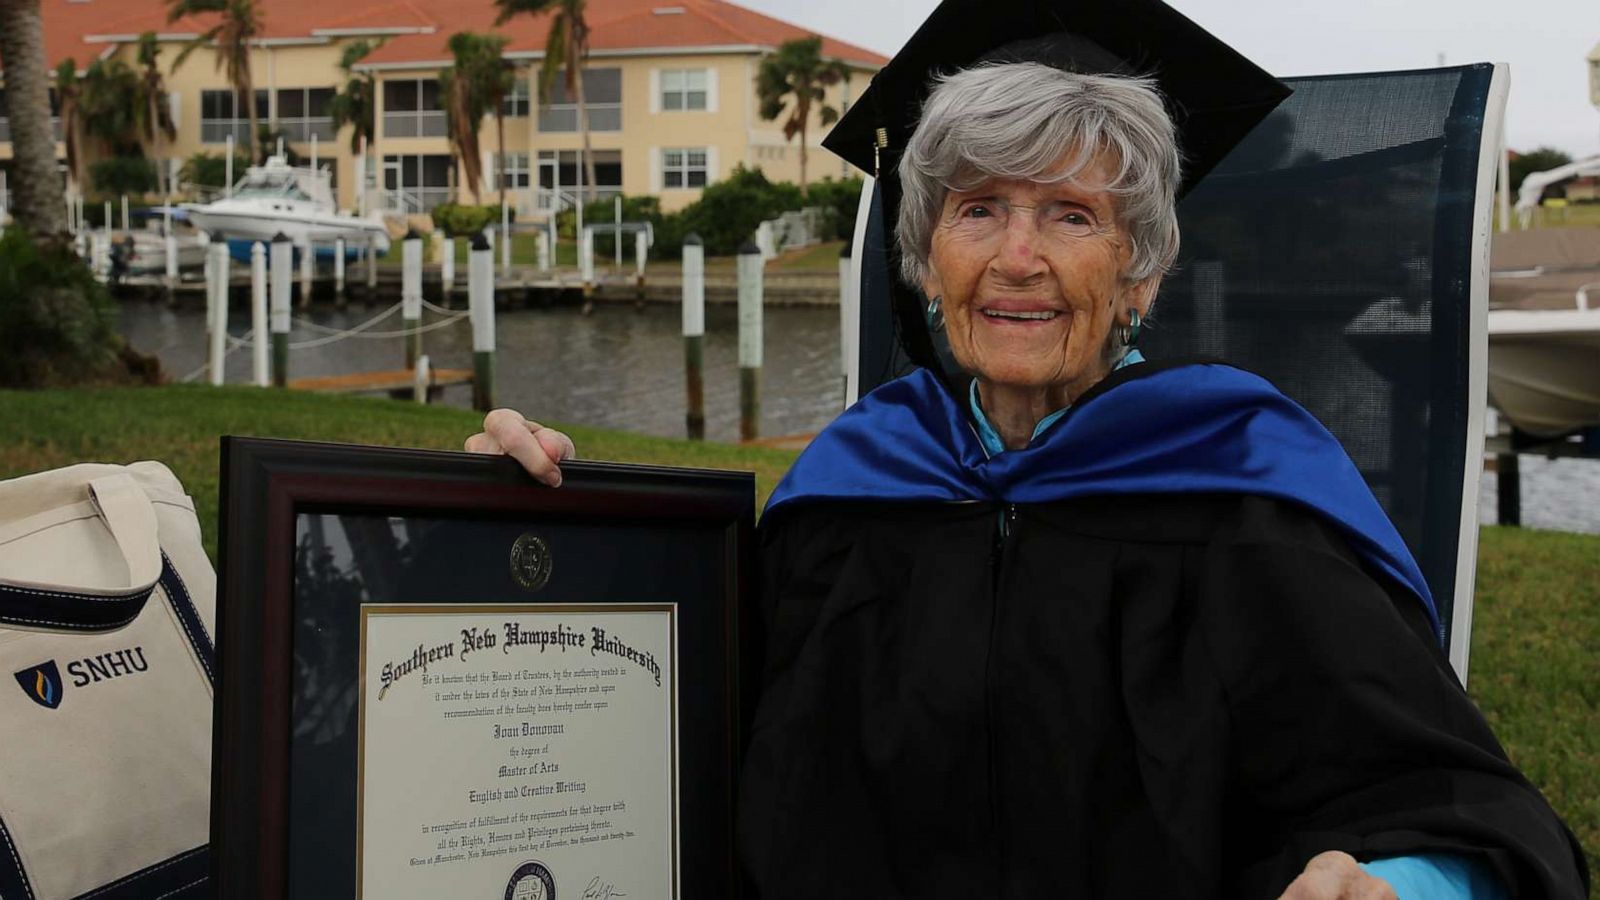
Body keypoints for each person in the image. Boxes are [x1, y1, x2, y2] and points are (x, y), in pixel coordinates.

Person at [467, 1, 1589, 896]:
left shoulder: (1250, 498)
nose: (1017, 256)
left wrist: (1394, 882)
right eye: (977, 209)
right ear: (923, 256)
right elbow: (662, 738)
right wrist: (550, 524)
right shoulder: (849, 496)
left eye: (1070, 215)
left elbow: (1450, 802)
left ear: (1139, 271)